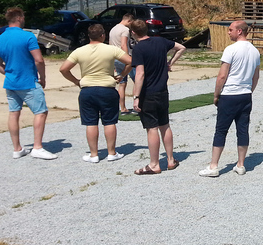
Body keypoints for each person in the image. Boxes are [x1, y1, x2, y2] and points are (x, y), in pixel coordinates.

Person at [0, 7, 57, 160]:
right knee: (41, 112)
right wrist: (43, 78)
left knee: (14, 113)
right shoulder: (28, 36)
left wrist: (8, 73)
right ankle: (37, 147)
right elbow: (39, 60)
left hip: (11, 82)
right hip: (28, 81)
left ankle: (17, 148)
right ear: (20, 18)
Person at [60, 24, 131, 163]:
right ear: (103, 35)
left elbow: (63, 69)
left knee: (91, 122)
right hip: (107, 88)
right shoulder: (111, 49)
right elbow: (130, 61)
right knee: (109, 121)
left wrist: (76, 81)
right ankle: (112, 152)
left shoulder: (79, 51)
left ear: (88, 36)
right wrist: (122, 75)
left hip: (87, 89)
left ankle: (94, 154)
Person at [199, 20, 260, 177]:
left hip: (229, 94)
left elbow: (222, 75)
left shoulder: (230, 49)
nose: (228, 32)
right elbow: (256, 76)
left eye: (231, 29)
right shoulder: (255, 51)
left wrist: (216, 94)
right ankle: (240, 165)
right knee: (242, 129)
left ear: (240, 31)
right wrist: (249, 91)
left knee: (221, 130)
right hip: (245, 95)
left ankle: (213, 166)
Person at [130, 19, 185, 175]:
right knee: (165, 125)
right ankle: (170, 160)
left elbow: (139, 74)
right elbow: (181, 47)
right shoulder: (160, 41)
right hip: (162, 91)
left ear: (133, 33)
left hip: (148, 93)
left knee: (151, 128)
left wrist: (136, 96)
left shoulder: (139, 49)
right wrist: (170, 63)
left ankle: (154, 164)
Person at [109, 13, 136, 116]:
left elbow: (111, 44)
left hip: (115, 57)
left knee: (122, 83)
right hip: (124, 57)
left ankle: (123, 108)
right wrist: (127, 57)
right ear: (129, 21)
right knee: (137, 80)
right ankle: (136, 106)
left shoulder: (113, 29)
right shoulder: (124, 30)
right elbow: (124, 44)